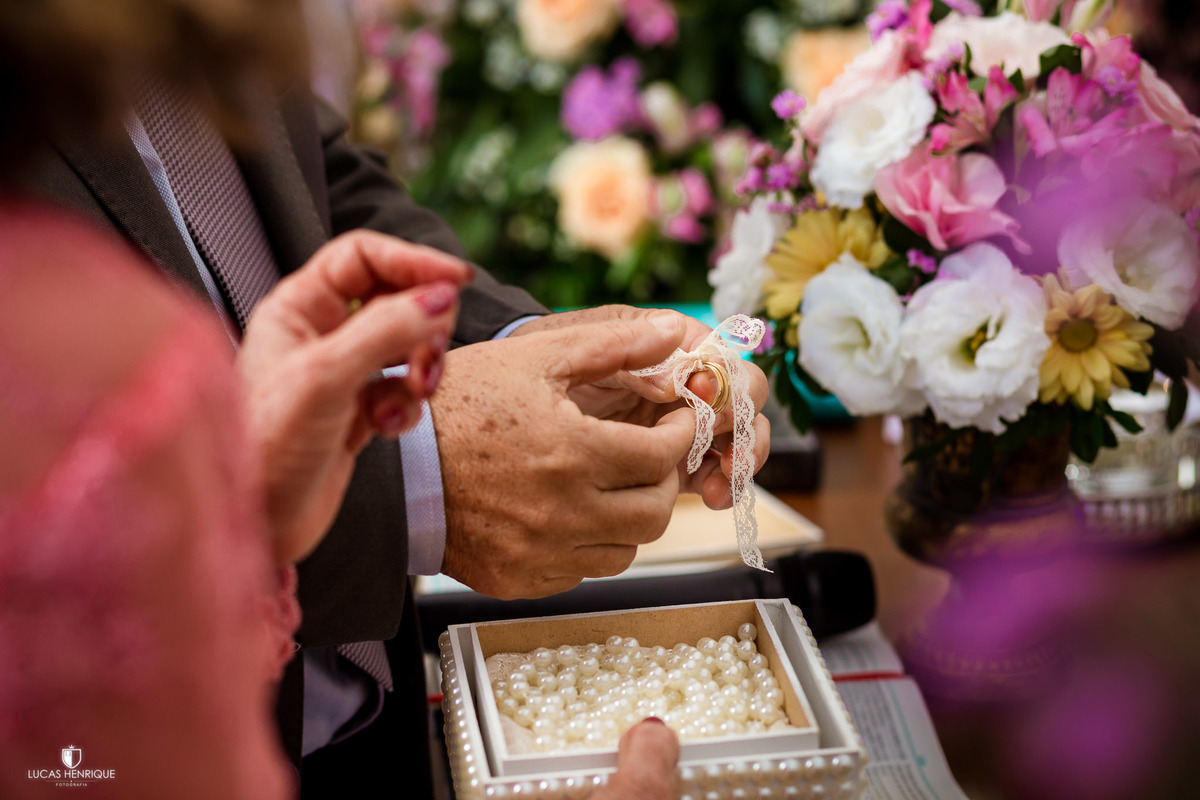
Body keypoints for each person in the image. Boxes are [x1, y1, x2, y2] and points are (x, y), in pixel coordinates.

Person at [9, 0, 770, 792]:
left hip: (375, 723)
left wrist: (547, 355)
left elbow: (317, 184)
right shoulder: (78, 334)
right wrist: (414, 472)